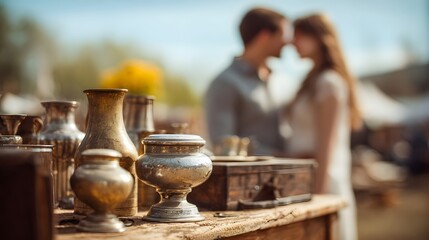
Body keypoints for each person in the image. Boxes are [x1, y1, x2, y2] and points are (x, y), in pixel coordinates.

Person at [283, 13, 362, 240]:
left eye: (298, 36)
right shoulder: (313, 79)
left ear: (318, 38)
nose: (292, 43)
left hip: (322, 182)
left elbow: (326, 145)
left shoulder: (328, 82)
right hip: (306, 179)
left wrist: (318, 197)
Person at [205, 7, 289, 155]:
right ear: (264, 36)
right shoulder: (225, 83)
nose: (287, 42)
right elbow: (222, 144)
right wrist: (283, 156)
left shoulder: (280, 81)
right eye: (282, 35)